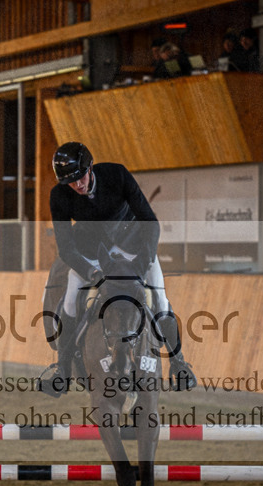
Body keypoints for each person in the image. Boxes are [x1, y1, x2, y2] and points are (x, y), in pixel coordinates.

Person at [40, 141, 197, 397]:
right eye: (71, 182)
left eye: (80, 178)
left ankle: (179, 364)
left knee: (160, 299)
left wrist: (144, 261)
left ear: (90, 167)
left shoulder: (116, 175)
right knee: (70, 300)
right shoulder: (59, 195)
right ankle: (62, 371)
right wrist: (90, 272)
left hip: (133, 249)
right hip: (92, 255)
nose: (77, 185)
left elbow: (151, 223)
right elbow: (66, 248)